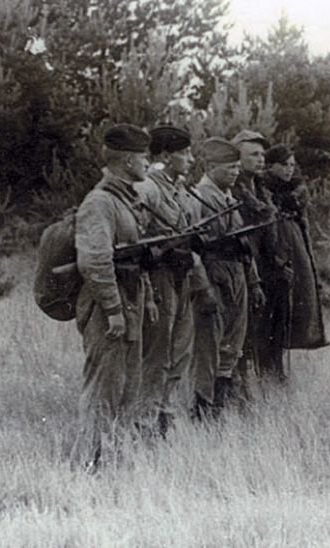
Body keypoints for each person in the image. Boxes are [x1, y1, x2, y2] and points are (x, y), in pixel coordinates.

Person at [73, 123, 156, 470]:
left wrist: (147, 297)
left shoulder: (123, 200)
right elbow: (94, 260)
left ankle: (112, 461)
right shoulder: (100, 203)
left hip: (129, 301)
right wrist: (113, 309)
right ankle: (89, 465)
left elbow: (135, 255)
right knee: (103, 388)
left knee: (126, 387)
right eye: (143, 158)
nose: (148, 164)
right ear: (126, 161)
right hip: (109, 307)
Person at [191, 137, 265, 419]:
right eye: (229, 167)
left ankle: (218, 407)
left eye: (237, 167)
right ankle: (203, 410)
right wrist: (203, 287)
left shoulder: (229, 197)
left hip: (236, 275)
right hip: (213, 274)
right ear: (210, 166)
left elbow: (244, 245)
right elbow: (193, 248)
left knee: (231, 346)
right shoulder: (199, 198)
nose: (235, 172)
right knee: (209, 346)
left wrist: (254, 282)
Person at [133, 125, 199, 436]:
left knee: (181, 351)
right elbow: (131, 225)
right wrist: (155, 250)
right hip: (157, 276)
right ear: (164, 156)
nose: (190, 159)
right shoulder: (148, 187)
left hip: (181, 275)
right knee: (157, 355)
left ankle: (166, 417)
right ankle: (145, 423)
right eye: (184, 153)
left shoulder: (178, 188)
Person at [259, 144, 329, 381]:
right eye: (284, 165)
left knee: (292, 309)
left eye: (292, 165)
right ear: (272, 165)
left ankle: (278, 372)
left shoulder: (298, 193)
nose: (289, 170)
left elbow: (304, 227)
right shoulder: (263, 189)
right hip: (273, 253)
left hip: (295, 250)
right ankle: (268, 370)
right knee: (271, 313)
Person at [231, 130, 292, 387]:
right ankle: (245, 387)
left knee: (271, 328)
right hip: (248, 268)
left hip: (269, 269)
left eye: (262, 155)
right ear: (238, 158)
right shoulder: (234, 190)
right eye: (253, 154)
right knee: (245, 333)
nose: (260, 160)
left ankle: (270, 380)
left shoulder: (260, 188)